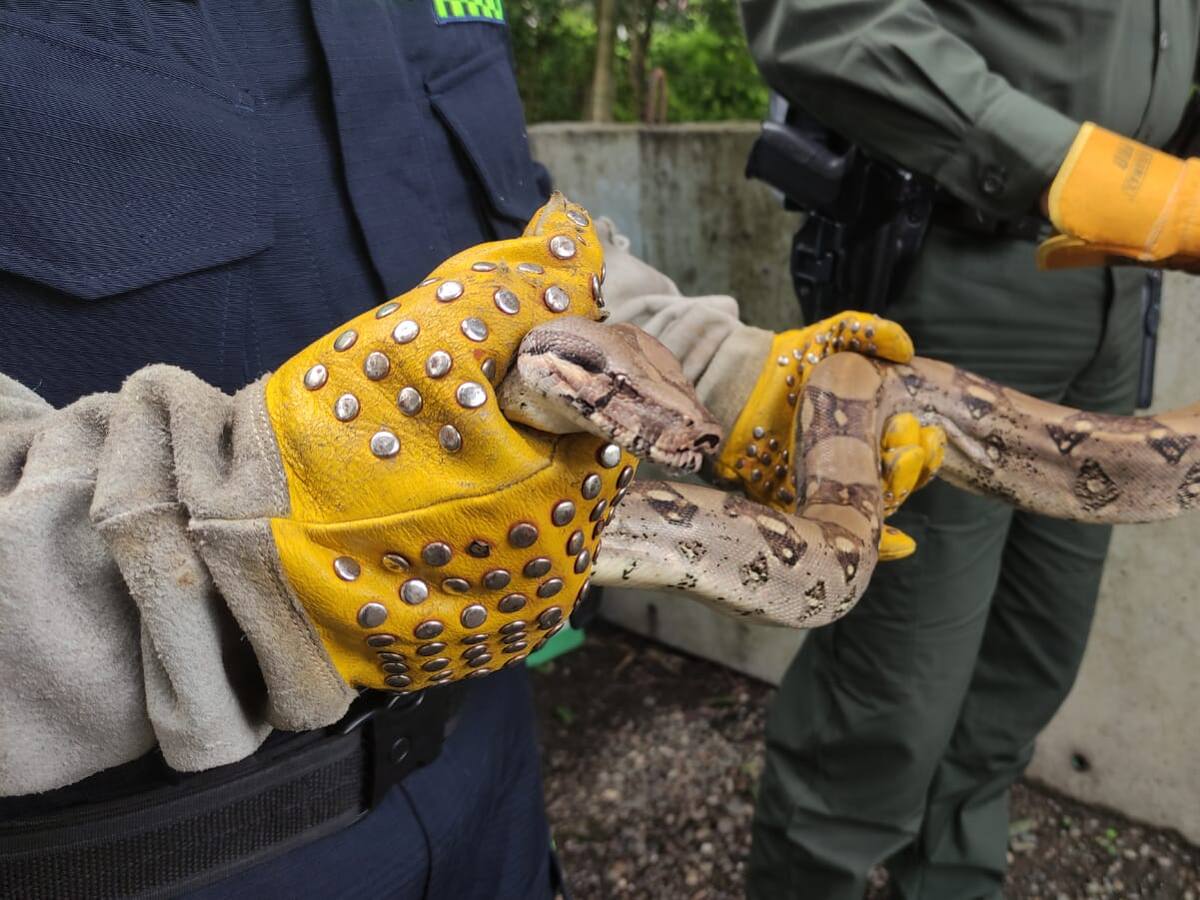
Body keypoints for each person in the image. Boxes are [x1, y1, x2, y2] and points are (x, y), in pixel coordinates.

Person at [0, 5, 938, 897]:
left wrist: (734, 381)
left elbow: (534, 264)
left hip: (487, 788)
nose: (675, 446)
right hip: (169, 854)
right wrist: (251, 539)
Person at [733, 2, 1200, 898]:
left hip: (1118, 289)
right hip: (953, 280)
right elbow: (811, 18)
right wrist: (1063, 162)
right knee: (891, 699)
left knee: (1028, 667)